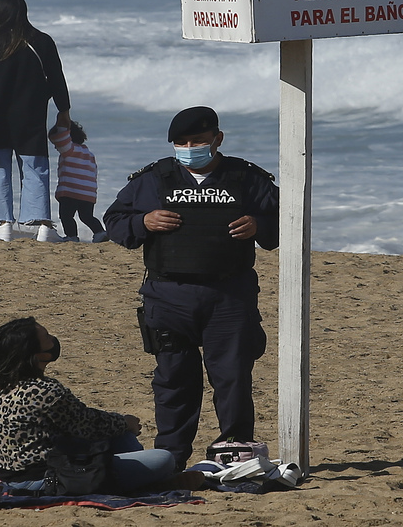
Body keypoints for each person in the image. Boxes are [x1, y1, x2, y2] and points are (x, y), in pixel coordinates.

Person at [102, 106, 279, 469]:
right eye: (180, 142)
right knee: (174, 382)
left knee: (232, 378)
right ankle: (171, 457)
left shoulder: (246, 178)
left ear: (217, 139)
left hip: (229, 295)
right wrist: (144, 221)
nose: (188, 147)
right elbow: (115, 222)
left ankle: (235, 452)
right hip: (169, 296)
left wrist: (258, 226)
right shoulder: (153, 179)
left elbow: (287, 222)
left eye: (197, 141)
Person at [0, 316, 199, 494]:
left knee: (121, 436)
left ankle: (145, 480)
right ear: (35, 355)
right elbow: (87, 424)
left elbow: (83, 422)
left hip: (15, 473)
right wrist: (126, 423)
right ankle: (150, 483)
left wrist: (120, 426)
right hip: (49, 478)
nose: (53, 340)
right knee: (164, 459)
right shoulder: (43, 391)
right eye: (47, 337)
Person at [0, 0, 68, 243]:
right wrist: (63, 111)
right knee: (36, 169)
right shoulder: (42, 41)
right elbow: (56, 79)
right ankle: (43, 226)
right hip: (30, 115)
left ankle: (3, 226)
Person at [48, 110, 108, 243]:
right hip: (88, 193)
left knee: (66, 216)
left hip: (71, 191)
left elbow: (61, 138)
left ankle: (72, 236)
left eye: (55, 144)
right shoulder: (89, 153)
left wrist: (62, 121)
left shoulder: (69, 149)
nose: (55, 147)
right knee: (87, 216)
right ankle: (99, 233)